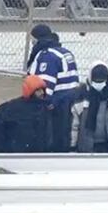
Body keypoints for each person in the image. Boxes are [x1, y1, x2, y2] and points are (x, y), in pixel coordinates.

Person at [26, 23, 80, 151]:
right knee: (67, 137)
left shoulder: (47, 56)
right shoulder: (65, 52)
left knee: (54, 140)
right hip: (72, 102)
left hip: (57, 106)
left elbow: (44, 88)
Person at [70, 62, 108, 153]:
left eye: (101, 81)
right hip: (86, 146)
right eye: (96, 81)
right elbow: (74, 125)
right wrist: (72, 146)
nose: (99, 83)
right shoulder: (81, 95)